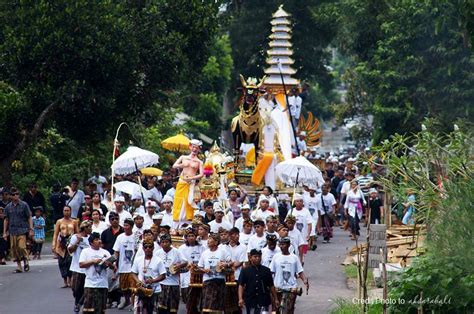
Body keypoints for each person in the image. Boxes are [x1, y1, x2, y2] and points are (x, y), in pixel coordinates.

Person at [269, 237, 309, 314]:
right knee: (276, 310)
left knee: (289, 310)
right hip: (278, 288)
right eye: (280, 244)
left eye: (283, 244)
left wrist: (304, 280)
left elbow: (300, 271)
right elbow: (271, 272)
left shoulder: (294, 258)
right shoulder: (276, 257)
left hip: (291, 288)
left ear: (288, 245)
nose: (281, 246)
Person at [79, 232, 116, 314]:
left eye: (99, 239)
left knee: (101, 309)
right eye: (96, 239)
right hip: (90, 284)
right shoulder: (86, 251)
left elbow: (114, 268)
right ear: (91, 242)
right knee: (89, 309)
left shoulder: (105, 252)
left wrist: (110, 265)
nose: (99, 241)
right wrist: (93, 261)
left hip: (103, 284)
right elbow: (81, 264)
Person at [172, 139, 204, 227]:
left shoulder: (199, 162)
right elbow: (174, 166)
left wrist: (192, 178)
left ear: (198, 149)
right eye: (193, 147)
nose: (194, 149)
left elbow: (201, 174)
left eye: (196, 148)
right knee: (179, 200)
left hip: (191, 183)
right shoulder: (183, 157)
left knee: (189, 201)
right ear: (190, 147)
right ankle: (176, 223)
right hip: (182, 181)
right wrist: (182, 165)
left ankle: (187, 221)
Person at [131, 238, 166, 314]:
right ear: (143, 248)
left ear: (153, 248)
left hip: (154, 291)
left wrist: (153, 280)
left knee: (152, 312)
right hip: (141, 290)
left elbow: (163, 275)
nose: (148, 249)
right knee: (139, 311)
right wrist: (138, 281)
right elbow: (133, 273)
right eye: (146, 247)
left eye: (150, 247)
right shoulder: (138, 260)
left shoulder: (158, 260)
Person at [198, 233, 231, 313]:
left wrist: (225, 264)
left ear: (216, 242)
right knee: (207, 305)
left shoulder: (223, 252)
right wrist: (204, 270)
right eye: (208, 239)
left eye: (210, 239)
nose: (208, 241)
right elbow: (199, 266)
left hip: (219, 281)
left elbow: (230, 263)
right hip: (208, 281)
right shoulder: (205, 253)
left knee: (218, 305)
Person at [3, 187, 34, 273]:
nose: (16, 196)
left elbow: (29, 217)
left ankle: (26, 260)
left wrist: (31, 229)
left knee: (21, 246)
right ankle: (19, 266)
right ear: (11, 196)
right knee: (14, 249)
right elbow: (6, 220)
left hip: (22, 229)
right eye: (13, 194)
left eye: (17, 194)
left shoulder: (24, 205)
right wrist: (4, 232)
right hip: (12, 230)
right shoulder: (8, 207)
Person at [238, 249, 277, 314]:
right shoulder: (245, 271)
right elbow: (241, 285)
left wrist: (275, 298)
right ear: (250, 258)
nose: (257, 258)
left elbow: (271, 286)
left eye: (259, 257)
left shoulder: (266, 270)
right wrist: (240, 298)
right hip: (250, 300)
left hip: (264, 300)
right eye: (255, 257)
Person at [156, 233, 187, 313]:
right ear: (160, 243)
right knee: (161, 308)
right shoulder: (158, 253)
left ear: (170, 243)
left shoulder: (176, 251)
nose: (165, 244)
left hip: (174, 283)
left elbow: (185, 262)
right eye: (163, 242)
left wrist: (178, 266)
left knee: (172, 308)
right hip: (161, 283)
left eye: (167, 242)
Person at [113, 218, 137, 309]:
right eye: (124, 225)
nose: (125, 227)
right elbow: (116, 252)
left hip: (133, 267)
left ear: (131, 226)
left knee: (133, 287)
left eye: (127, 225)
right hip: (123, 266)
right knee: (124, 288)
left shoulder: (136, 237)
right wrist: (115, 263)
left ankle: (133, 304)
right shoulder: (120, 237)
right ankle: (127, 301)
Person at [68, 221, 92, 312]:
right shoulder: (75, 237)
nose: (91, 229)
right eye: (89, 227)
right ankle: (77, 301)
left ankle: (79, 304)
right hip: (77, 267)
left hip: (87, 268)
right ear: (85, 228)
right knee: (75, 289)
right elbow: (70, 250)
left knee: (87, 289)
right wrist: (78, 242)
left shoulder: (91, 238)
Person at [52, 205, 79, 286]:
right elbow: (56, 234)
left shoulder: (74, 222)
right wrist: (54, 245)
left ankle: (70, 279)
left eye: (68, 210)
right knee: (61, 262)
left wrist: (77, 243)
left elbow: (77, 233)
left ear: (70, 211)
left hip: (71, 242)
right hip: (61, 243)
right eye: (65, 210)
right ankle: (64, 280)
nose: (66, 212)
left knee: (70, 262)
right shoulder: (59, 222)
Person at [178, 228, 203, 311]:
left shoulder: (201, 247)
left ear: (196, 237)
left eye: (193, 235)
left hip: (199, 275)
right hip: (186, 274)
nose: (191, 238)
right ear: (186, 237)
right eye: (189, 236)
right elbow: (180, 261)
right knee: (187, 298)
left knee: (198, 298)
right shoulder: (182, 248)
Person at [287, 194, 312, 263]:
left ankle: (301, 261)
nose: (299, 203)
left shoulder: (306, 211)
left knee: (302, 250)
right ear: (294, 202)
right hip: (293, 234)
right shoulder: (291, 211)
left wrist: (309, 234)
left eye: (300, 201)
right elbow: (286, 223)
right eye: (297, 201)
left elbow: (309, 224)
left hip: (303, 234)